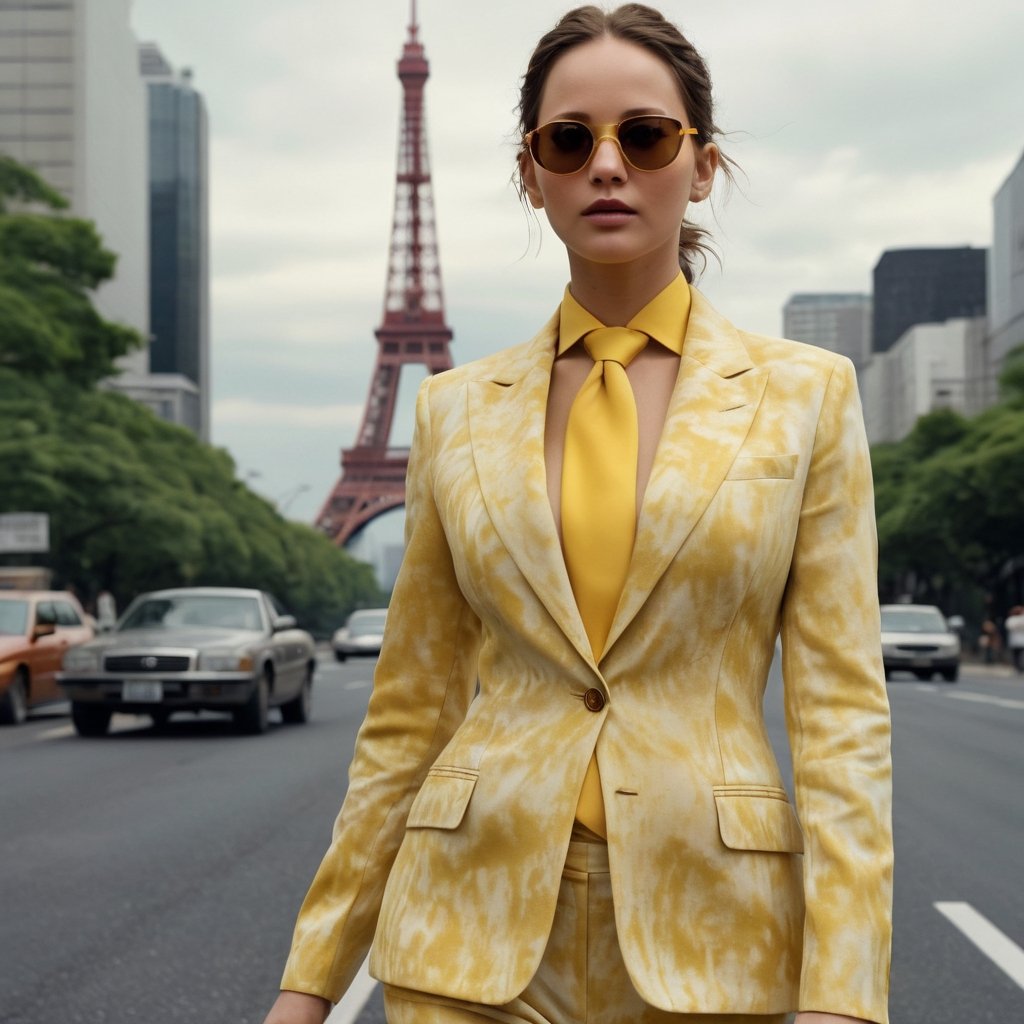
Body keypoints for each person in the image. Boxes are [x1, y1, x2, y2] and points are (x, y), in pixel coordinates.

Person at [264, 6, 892, 1024]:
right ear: (531, 174)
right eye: (570, 140)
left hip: (711, 940)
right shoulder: (452, 409)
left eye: (644, 136)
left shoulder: (805, 398)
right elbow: (408, 715)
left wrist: (846, 994)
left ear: (701, 167)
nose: (607, 165)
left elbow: (843, 726)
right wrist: (309, 983)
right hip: (466, 931)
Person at [1005, 605, 1024, 673]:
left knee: (1021, 655)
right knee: (1015, 655)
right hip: (1015, 640)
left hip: (1022, 640)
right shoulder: (1012, 619)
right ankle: (1017, 668)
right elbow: (1009, 626)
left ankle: (1021, 667)